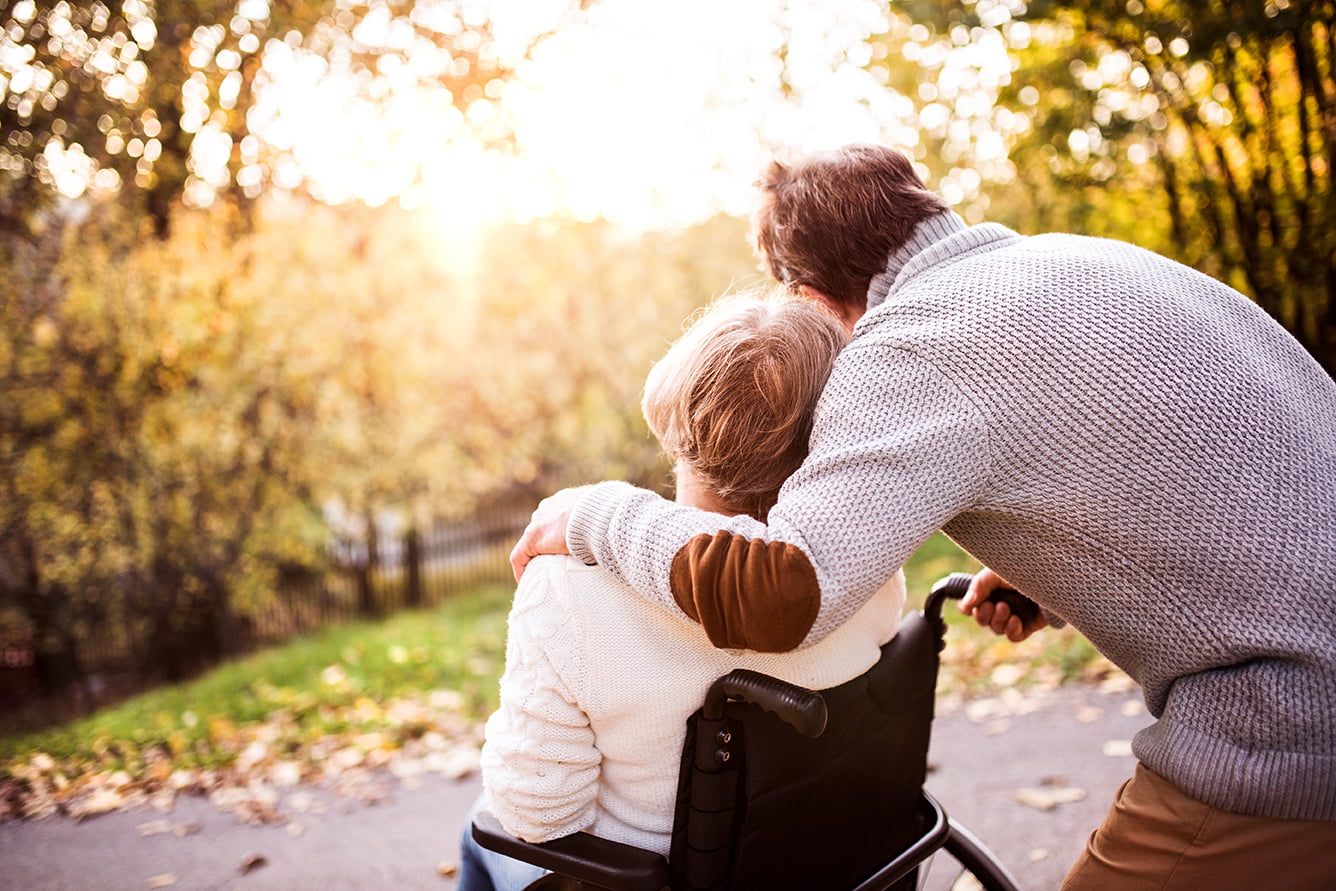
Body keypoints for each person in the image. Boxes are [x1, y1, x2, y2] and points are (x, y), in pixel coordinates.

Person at [509, 143, 1336, 888]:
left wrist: (593, 514)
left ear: (806, 295)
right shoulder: (1074, 262)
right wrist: (1052, 569)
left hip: (1294, 714)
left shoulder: (911, 343)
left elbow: (787, 593)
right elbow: (1203, 457)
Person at [458, 291, 907, 891]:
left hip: (652, 881)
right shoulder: (860, 564)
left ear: (677, 419)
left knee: (479, 829)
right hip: (831, 863)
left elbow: (535, 813)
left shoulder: (568, 590)